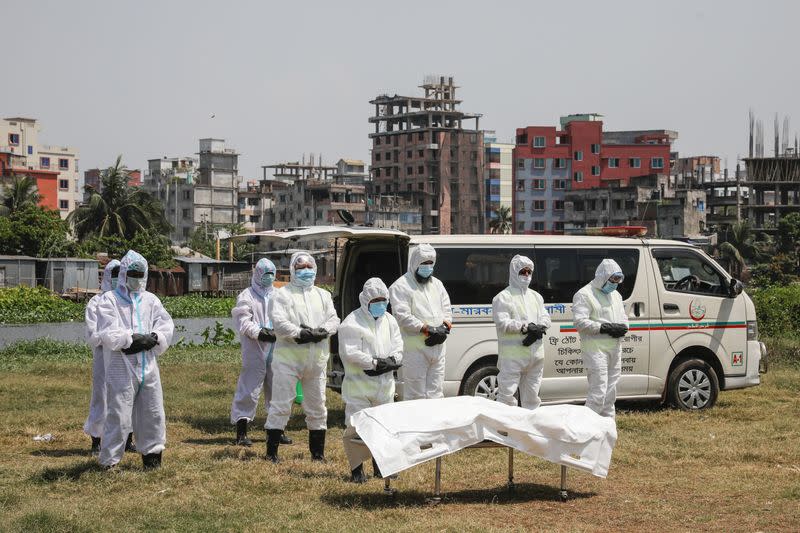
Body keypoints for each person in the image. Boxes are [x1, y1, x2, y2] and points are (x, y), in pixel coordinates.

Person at [96, 250, 174, 469]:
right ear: (123, 273)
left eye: (141, 274)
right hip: (121, 366)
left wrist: (155, 338)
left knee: (153, 412)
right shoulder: (110, 300)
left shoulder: (150, 300)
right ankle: (110, 462)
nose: (137, 278)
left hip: (148, 365)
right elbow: (107, 332)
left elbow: (165, 324)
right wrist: (130, 339)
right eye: (133, 273)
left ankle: (152, 457)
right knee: (119, 415)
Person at [265, 252, 340, 463]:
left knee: (317, 406)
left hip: (316, 362)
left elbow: (334, 320)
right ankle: (272, 453)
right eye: (300, 267)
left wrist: (322, 331)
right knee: (281, 404)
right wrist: (300, 333)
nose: (305, 271)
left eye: (309, 266)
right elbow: (279, 323)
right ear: (292, 270)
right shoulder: (282, 295)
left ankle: (317, 454)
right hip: (288, 361)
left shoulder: (323, 295)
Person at [339, 278, 403, 483]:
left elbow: (398, 346)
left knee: (383, 427)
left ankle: (382, 467)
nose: (381, 304)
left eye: (384, 300)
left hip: (384, 386)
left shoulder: (390, 320)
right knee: (356, 428)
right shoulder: (351, 322)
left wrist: (393, 360)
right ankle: (357, 470)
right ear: (366, 300)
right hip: (359, 386)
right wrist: (374, 363)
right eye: (376, 300)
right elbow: (350, 353)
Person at [230, 258, 293, 447]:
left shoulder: (279, 295)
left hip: (277, 348)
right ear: (257, 274)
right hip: (255, 349)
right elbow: (243, 321)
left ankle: (277, 430)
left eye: (271, 274)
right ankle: (241, 432)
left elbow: (287, 317)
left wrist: (280, 332)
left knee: (278, 390)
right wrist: (260, 332)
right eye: (265, 274)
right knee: (249, 389)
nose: (269, 278)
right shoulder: (246, 296)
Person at [83, 259, 136, 455]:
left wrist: (124, 339)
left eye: (119, 274)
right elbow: (93, 334)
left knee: (126, 395)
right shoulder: (96, 302)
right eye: (113, 275)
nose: (116, 279)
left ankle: (127, 439)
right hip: (104, 358)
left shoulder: (128, 301)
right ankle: (96, 442)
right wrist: (112, 337)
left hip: (125, 357)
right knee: (102, 397)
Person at [389, 244, 452, 400]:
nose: (428, 267)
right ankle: (416, 425)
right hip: (415, 352)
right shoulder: (400, 286)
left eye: (430, 263)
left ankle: (435, 425)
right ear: (415, 263)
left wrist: (445, 328)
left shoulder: (437, 285)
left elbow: (447, 310)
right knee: (415, 395)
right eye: (424, 264)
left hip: (438, 349)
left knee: (436, 393)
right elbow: (402, 316)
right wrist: (426, 329)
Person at [492, 255, 551, 409]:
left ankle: (529, 431)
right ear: (514, 272)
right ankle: (504, 431)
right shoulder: (503, 297)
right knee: (506, 398)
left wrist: (540, 327)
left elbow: (545, 317)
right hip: (513, 358)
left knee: (532, 398)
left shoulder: (536, 297)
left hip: (535, 356)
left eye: (529, 272)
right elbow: (503, 323)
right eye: (522, 272)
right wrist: (525, 327)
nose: (526, 275)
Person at [572, 259, 629, 418]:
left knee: (611, 392)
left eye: (618, 280)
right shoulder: (584, 294)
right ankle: (589, 429)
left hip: (615, 348)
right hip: (595, 350)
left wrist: (623, 327)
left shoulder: (615, 295)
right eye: (613, 279)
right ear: (603, 277)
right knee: (598, 391)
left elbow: (623, 317)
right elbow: (580, 322)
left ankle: (607, 429)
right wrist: (603, 327)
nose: (615, 284)